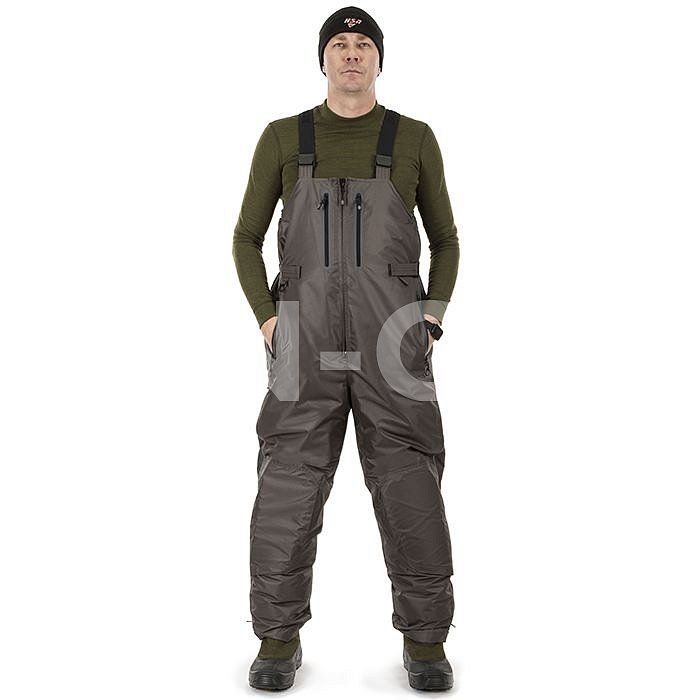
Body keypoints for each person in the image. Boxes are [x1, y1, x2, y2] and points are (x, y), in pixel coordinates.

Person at [233, 6, 460, 691]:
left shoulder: (414, 137)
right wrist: (269, 320)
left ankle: (426, 643)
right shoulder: (283, 137)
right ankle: (276, 642)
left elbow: (446, 240)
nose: (352, 53)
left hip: (394, 344)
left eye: (364, 44)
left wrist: (430, 318)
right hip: (301, 343)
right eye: (340, 44)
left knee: (410, 483)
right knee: (287, 487)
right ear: (323, 59)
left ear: (379, 59)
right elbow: (245, 238)